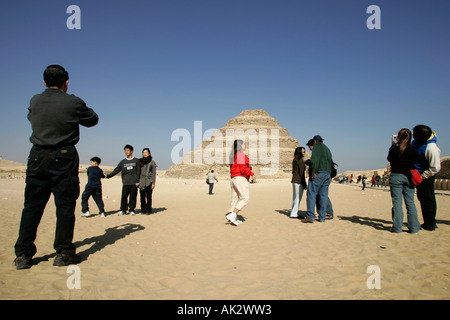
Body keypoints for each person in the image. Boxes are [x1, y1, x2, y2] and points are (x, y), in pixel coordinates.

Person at [14, 65, 99, 269]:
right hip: (63, 157)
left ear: (44, 82)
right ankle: (63, 253)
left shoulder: (35, 100)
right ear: (66, 82)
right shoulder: (73, 102)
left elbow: (31, 118)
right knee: (65, 207)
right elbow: (93, 119)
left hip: (37, 157)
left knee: (32, 207)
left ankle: (23, 255)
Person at [387, 128, 420, 233]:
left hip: (396, 176)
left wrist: (393, 145)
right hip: (409, 177)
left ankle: (397, 228)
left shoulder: (394, 149)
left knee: (397, 203)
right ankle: (414, 227)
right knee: (410, 202)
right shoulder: (413, 149)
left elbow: (389, 159)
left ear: (398, 137)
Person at [412, 125, 441, 231]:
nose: (413, 137)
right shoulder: (417, 143)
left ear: (422, 137)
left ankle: (430, 224)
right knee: (422, 199)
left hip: (426, 177)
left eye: (415, 135)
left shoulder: (431, 148)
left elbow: (435, 168)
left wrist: (422, 176)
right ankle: (427, 221)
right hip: (417, 176)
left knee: (428, 200)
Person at [303, 135, 333, 223]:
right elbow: (330, 162)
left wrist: (312, 172)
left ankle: (310, 216)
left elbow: (314, 161)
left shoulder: (316, 147)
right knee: (323, 196)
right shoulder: (327, 149)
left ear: (315, 141)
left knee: (311, 194)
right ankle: (322, 217)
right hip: (327, 174)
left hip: (318, 174)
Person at [226, 139, 254, 226]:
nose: (245, 145)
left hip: (233, 179)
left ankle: (232, 216)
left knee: (235, 198)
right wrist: (252, 174)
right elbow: (243, 168)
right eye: (243, 144)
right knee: (245, 198)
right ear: (240, 146)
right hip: (240, 179)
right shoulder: (241, 155)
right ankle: (233, 214)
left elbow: (232, 169)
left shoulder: (233, 156)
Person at [106, 145, 141, 216]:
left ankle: (132, 210)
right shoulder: (123, 162)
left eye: (128, 150)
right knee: (124, 197)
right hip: (125, 182)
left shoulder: (136, 161)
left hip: (134, 183)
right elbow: (116, 170)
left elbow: (138, 171)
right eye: (125, 151)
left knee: (133, 197)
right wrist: (108, 176)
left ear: (131, 151)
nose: (126, 152)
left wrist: (137, 181)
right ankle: (123, 210)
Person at [290, 147, 307, 218]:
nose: (304, 153)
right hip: (298, 181)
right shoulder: (300, 161)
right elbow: (301, 173)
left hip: (295, 180)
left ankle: (294, 212)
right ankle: (294, 214)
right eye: (303, 152)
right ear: (299, 152)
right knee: (297, 198)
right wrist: (304, 184)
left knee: (295, 198)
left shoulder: (295, 159)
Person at [139, 148, 157, 214]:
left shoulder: (152, 162)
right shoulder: (140, 162)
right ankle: (143, 209)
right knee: (142, 197)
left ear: (149, 153)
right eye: (143, 152)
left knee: (149, 197)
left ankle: (149, 209)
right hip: (141, 181)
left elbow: (154, 173)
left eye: (146, 152)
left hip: (149, 181)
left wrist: (153, 183)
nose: (145, 153)